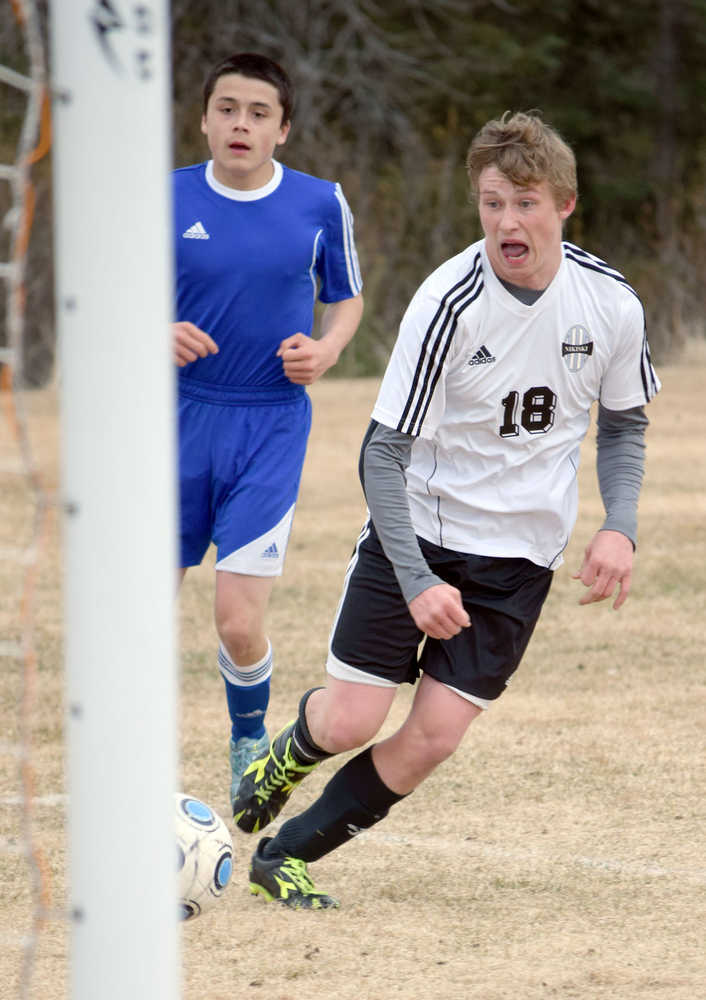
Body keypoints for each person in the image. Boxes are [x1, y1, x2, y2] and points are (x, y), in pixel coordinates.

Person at [232, 111, 660, 909]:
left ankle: (281, 858)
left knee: (432, 738)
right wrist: (419, 576)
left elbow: (626, 424)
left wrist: (619, 524)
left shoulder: (610, 304)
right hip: (419, 535)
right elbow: (381, 454)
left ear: (565, 204)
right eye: (492, 203)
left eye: (526, 202)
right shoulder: (449, 301)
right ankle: (292, 749)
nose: (507, 222)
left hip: (519, 560)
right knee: (353, 719)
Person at [172, 53, 364, 809]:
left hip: (269, 427)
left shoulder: (321, 204)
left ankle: (249, 741)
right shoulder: (164, 198)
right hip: (173, 418)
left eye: (257, 113)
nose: (240, 124)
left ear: (283, 129)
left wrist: (327, 348)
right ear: (205, 118)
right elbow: (107, 296)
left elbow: (345, 298)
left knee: (238, 621)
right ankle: (130, 763)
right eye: (226, 108)